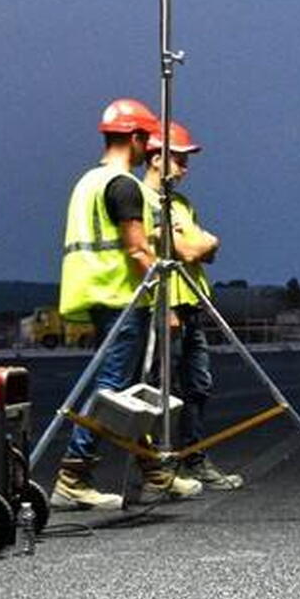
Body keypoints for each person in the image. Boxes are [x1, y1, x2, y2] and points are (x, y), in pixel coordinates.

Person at [53, 99, 165, 508]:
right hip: (121, 297)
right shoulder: (123, 185)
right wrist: (163, 296)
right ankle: (73, 471)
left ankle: (152, 469)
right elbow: (137, 251)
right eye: (145, 141)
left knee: (127, 389)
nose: (146, 150)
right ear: (134, 138)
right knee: (111, 387)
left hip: (96, 294)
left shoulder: (87, 182)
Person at [143, 121, 243, 489]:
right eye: (179, 159)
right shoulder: (144, 200)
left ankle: (194, 458)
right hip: (163, 307)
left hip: (192, 305)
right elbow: (188, 250)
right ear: (155, 158)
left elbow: (206, 253)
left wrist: (199, 243)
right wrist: (200, 243)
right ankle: (161, 466)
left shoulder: (182, 204)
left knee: (199, 384)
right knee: (165, 391)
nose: (185, 169)